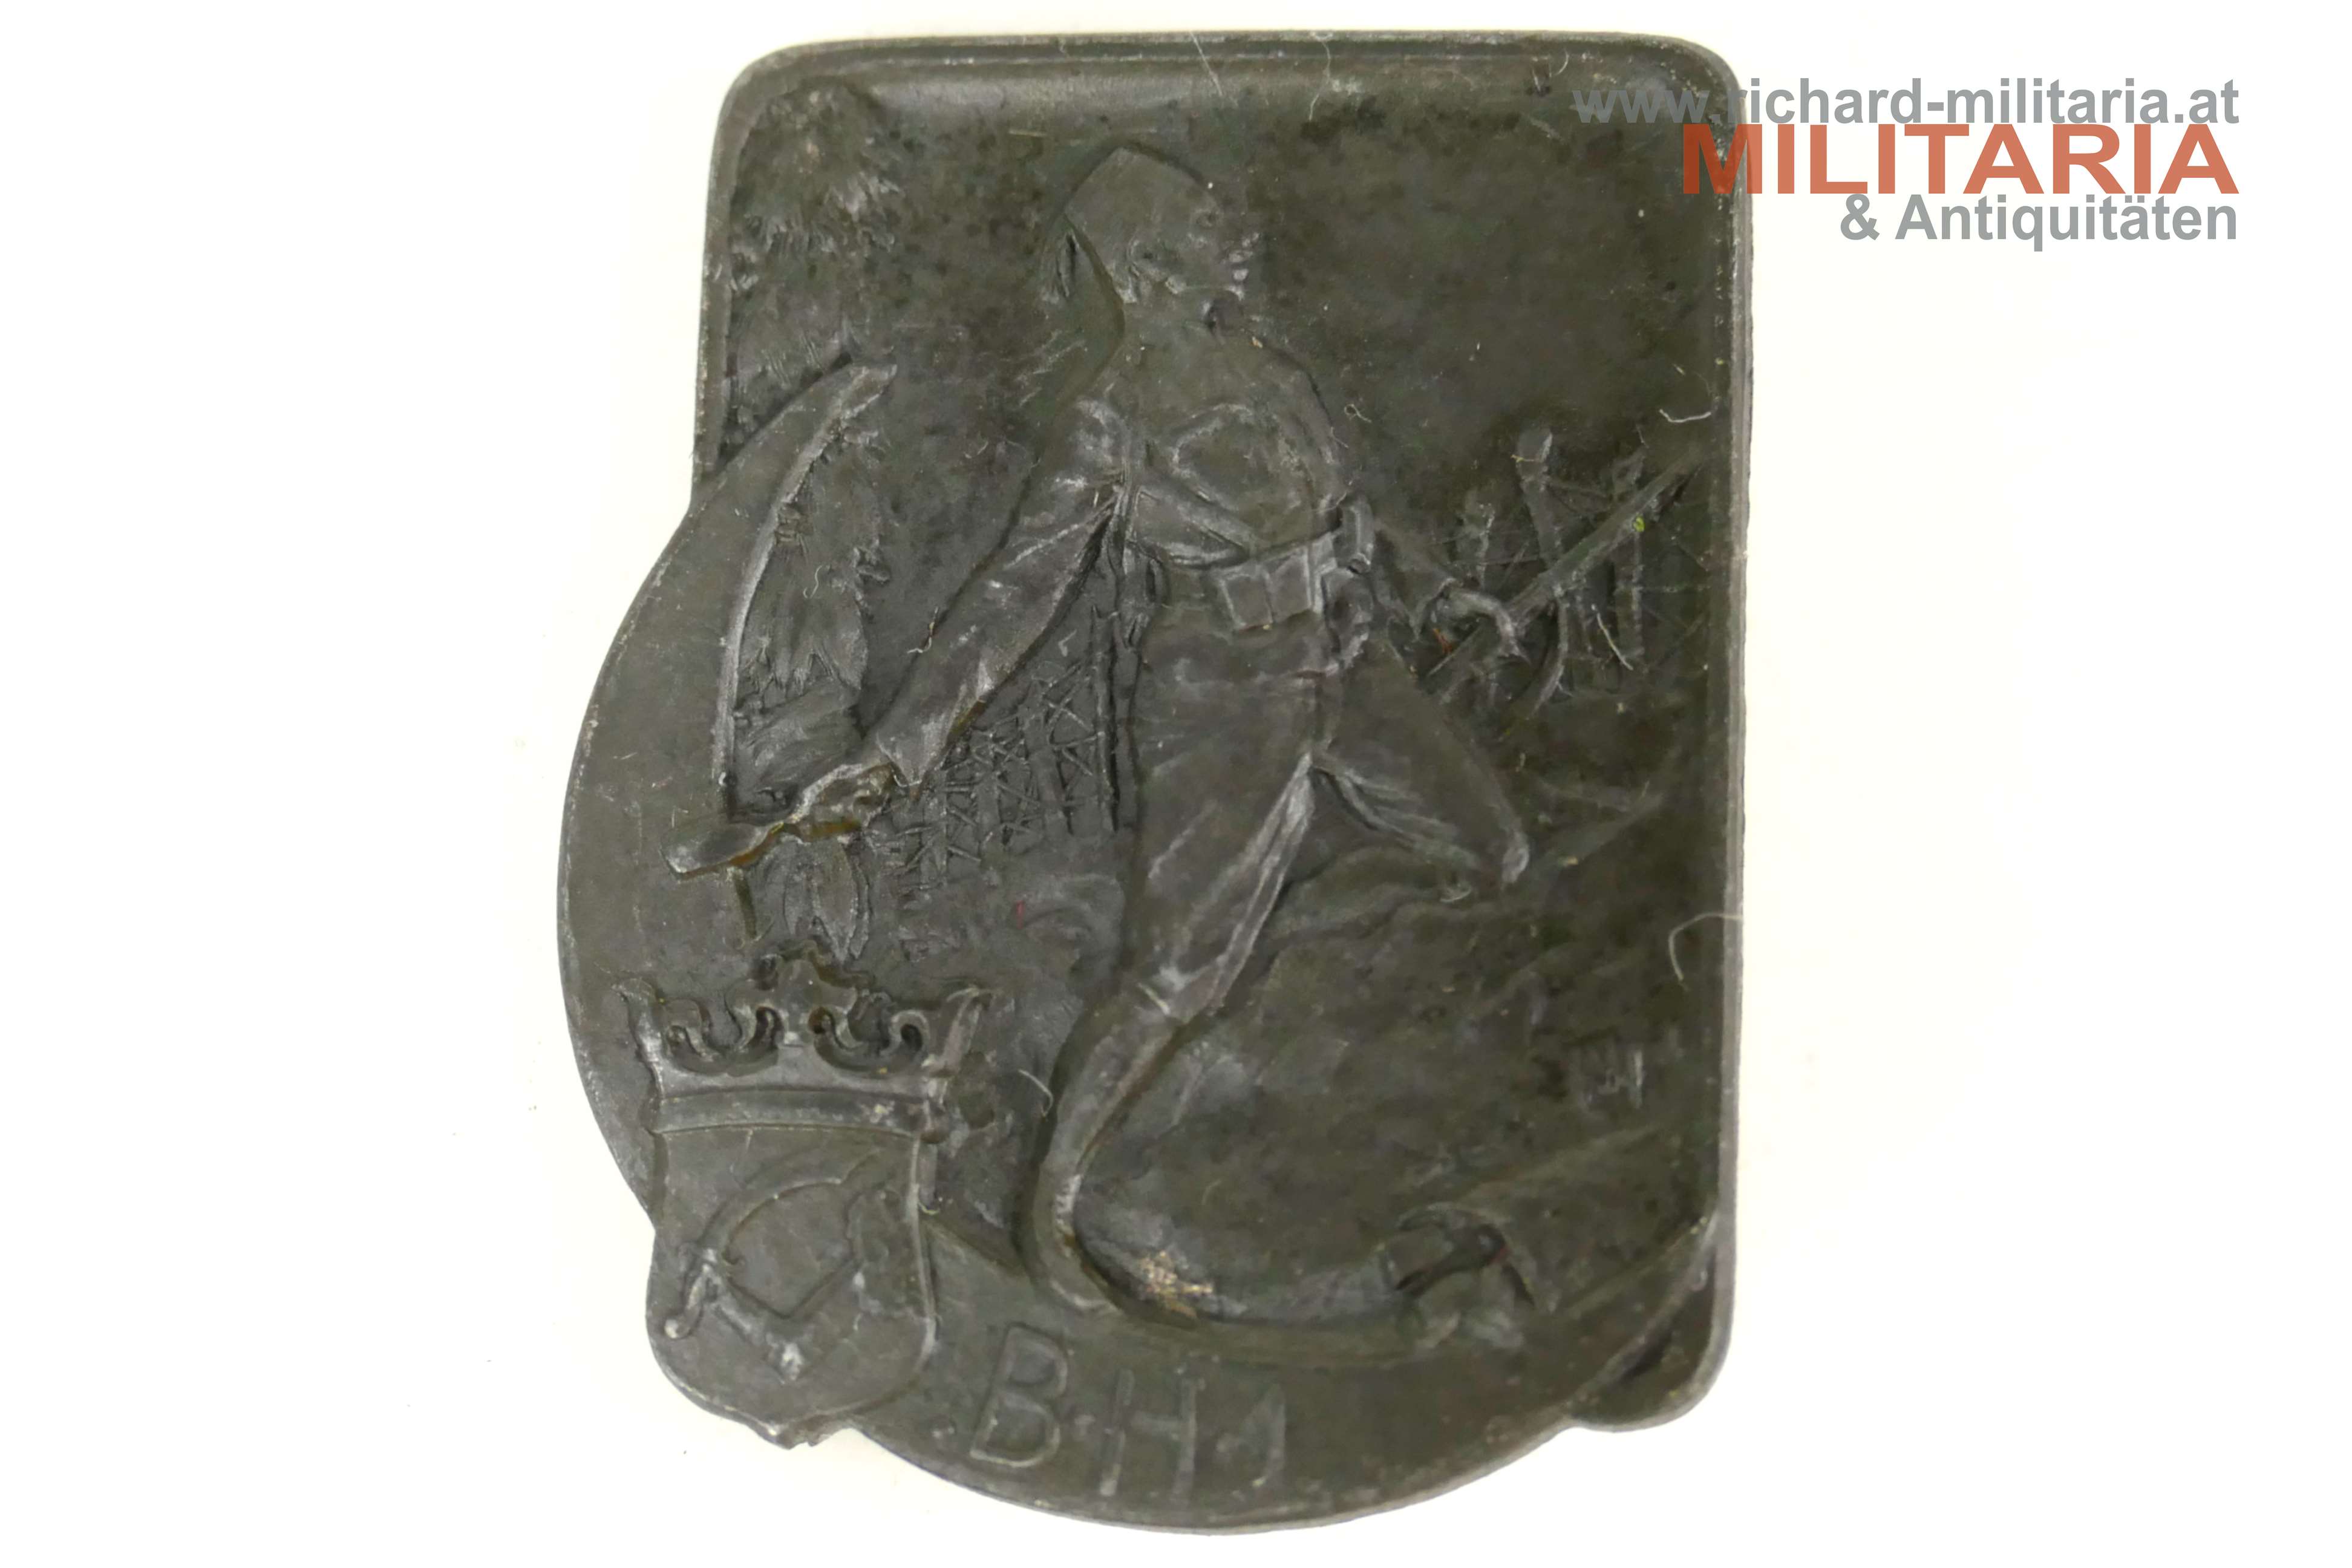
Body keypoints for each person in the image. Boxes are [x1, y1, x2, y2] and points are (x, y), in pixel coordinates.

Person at [786, 146, 1527, 1313]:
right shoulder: (1112, 421)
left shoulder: (1268, 367)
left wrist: (1439, 593)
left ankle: (1271, 966)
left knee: (1490, 850)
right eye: (1203, 227)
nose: (1234, 239)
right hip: (1224, 692)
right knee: (1176, 972)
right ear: (1145, 266)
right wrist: (898, 749)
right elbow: (1012, 595)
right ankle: (1052, 1211)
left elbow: (1350, 515)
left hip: (1345, 657)